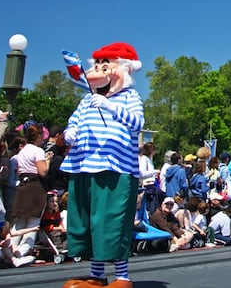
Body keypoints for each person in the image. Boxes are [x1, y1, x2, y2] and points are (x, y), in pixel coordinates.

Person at [60, 42, 145, 288]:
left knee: (111, 222)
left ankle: (122, 277)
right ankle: (97, 276)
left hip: (115, 170)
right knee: (90, 222)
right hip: (83, 166)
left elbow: (137, 123)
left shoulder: (129, 96)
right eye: (97, 65)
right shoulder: (87, 99)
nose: (99, 70)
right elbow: (73, 122)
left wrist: (111, 106)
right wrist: (70, 133)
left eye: (106, 65)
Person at [10, 124, 51, 262]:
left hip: (23, 185)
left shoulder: (22, 151)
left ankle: (10, 249)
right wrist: (48, 161)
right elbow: (43, 172)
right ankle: (22, 252)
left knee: (20, 220)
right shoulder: (37, 151)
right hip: (34, 186)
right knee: (33, 221)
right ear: (38, 136)